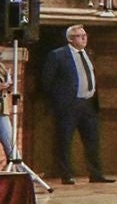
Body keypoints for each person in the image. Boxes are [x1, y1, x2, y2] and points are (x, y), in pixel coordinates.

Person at [40, 25, 113, 186]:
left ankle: (96, 173)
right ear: (70, 39)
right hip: (68, 105)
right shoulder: (58, 55)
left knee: (92, 140)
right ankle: (66, 175)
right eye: (79, 36)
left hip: (88, 104)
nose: (84, 38)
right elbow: (47, 81)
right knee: (65, 140)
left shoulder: (89, 53)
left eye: (85, 35)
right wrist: (58, 101)